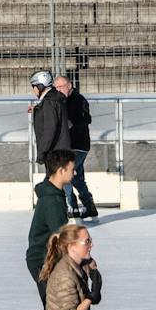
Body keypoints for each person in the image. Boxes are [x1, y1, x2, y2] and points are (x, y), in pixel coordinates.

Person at [24, 149, 76, 310]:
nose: (74, 173)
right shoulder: (52, 200)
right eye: (72, 169)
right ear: (61, 169)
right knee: (53, 308)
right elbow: (60, 236)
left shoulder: (53, 194)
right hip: (42, 261)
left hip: (44, 259)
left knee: (53, 307)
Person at [58, 76, 97, 220]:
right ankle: (89, 206)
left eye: (61, 86)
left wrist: (72, 122)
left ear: (69, 85)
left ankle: (72, 206)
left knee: (66, 174)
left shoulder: (79, 99)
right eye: (56, 87)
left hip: (78, 145)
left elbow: (86, 118)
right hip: (68, 145)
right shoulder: (61, 100)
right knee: (77, 177)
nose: (59, 90)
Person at [30, 70, 70, 163]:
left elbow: (50, 129)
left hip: (54, 154)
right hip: (60, 152)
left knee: (52, 178)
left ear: (40, 86)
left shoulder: (49, 102)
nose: (33, 90)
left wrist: (41, 153)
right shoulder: (56, 99)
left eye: (34, 87)